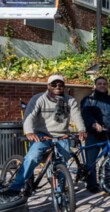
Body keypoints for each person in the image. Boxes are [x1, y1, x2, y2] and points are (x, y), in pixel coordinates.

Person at [0, 75, 86, 203]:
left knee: (63, 163)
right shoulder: (39, 99)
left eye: (60, 85)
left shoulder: (70, 100)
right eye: (54, 84)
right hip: (42, 135)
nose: (57, 87)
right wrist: (29, 131)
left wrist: (81, 129)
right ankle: (14, 189)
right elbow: (29, 116)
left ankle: (60, 191)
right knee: (32, 158)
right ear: (48, 86)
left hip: (62, 135)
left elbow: (76, 115)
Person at [80, 77, 110, 194]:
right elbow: (85, 113)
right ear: (95, 86)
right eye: (99, 84)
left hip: (108, 134)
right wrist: (93, 123)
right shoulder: (88, 100)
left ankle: (109, 181)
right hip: (93, 134)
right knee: (91, 161)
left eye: (105, 84)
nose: (102, 85)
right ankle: (92, 185)